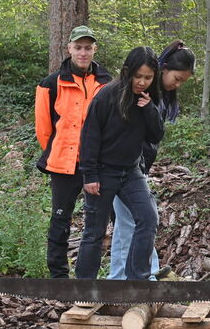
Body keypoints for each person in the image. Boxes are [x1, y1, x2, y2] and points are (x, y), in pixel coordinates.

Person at [107, 40, 195, 280]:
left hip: (138, 167)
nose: (178, 84)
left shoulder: (159, 97)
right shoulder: (142, 94)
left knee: (134, 221)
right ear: (163, 69)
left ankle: (131, 274)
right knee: (131, 221)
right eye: (177, 78)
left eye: (182, 82)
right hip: (124, 167)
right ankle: (124, 278)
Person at [76, 46, 165, 280]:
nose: (142, 82)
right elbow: (89, 136)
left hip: (131, 171)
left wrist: (149, 110)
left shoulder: (148, 98)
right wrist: (90, 175)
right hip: (102, 173)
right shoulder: (107, 95)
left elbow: (155, 136)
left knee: (147, 218)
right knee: (95, 231)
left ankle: (139, 279)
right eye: (138, 76)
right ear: (128, 72)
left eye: (148, 77)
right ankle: (84, 289)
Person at [35, 25, 112, 278]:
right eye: (78, 47)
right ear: (69, 48)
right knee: (60, 219)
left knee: (106, 219)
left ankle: (111, 274)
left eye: (88, 48)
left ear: (94, 50)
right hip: (63, 164)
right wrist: (59, 151)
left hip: (100, 165)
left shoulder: (106, 82)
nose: (83, 53)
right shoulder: (51, 83)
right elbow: (44, 129)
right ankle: (58, 277)